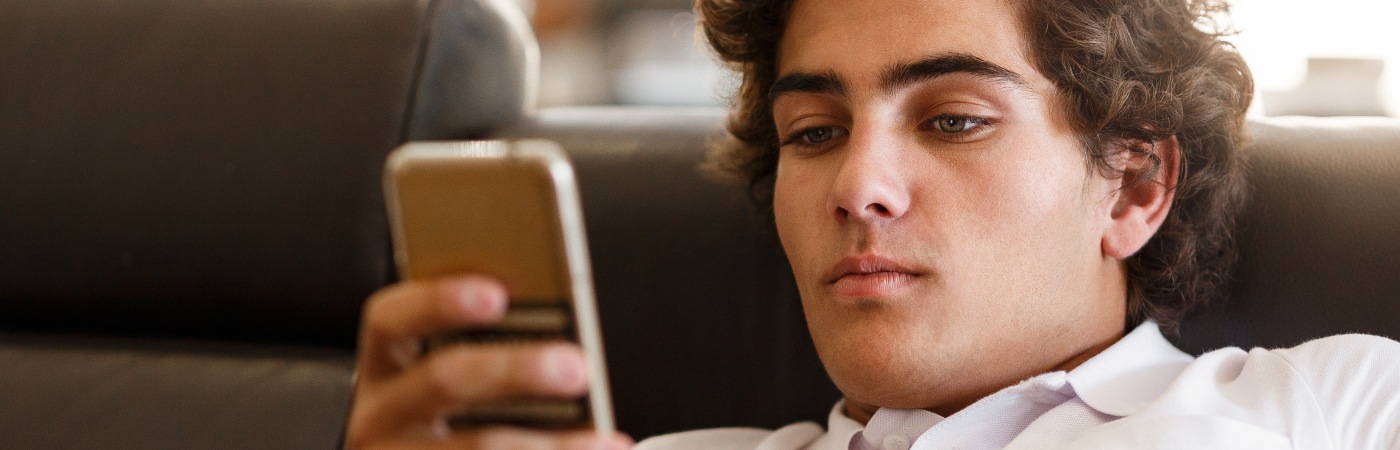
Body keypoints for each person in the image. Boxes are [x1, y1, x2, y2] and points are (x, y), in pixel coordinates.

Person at [344, 0, 1400, 448]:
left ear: (1129, 188)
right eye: (812, 132)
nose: (860, 183)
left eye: (950, 119)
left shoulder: (1331, 404)